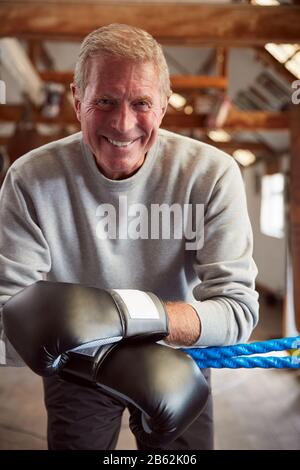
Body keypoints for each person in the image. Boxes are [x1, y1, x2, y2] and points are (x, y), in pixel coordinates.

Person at [0, 24, 259, 450]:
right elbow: (11, 310)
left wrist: (119, 313)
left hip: (180, 360)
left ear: (163, 107)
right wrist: (66, 337)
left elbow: (237, 312)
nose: (123, 124)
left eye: (141, 102)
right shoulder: (31, 178)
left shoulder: (211, 174)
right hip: (78, 368)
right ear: (77, 100)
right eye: (104, 100)